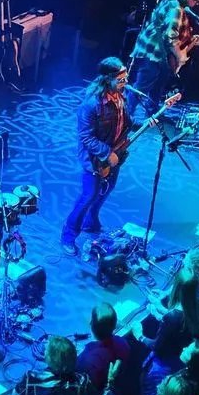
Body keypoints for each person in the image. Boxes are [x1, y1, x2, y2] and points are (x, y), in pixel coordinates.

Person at [62, 58, 132, 255]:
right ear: (107, 79)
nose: (124, 82)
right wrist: (106, 153)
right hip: (95, 160)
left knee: (107, 189)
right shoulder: (92, 104)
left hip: (116, 154)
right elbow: (85, 137)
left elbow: (123, 122)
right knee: (88, 196)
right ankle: (68, 235)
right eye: (120, 79)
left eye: (125, 78)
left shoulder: (119, 95)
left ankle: (91, 221)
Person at [128, 0, 199, 116]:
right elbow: (170, 35)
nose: (196, 4)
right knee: (142, 87)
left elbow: (172, 30)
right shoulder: (176, 9)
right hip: (154, 52)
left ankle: (152, 114)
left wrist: (190, 39)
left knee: (158, 85)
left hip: (157, 52)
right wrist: (180, 55)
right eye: (196, 1)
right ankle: (125, 117)